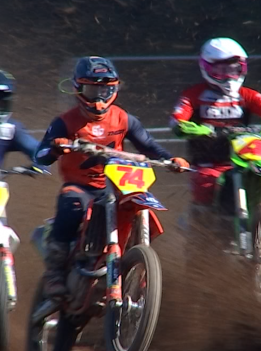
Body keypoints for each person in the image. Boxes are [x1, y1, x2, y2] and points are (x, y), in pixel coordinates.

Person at [34, 56, 189, 297]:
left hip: (118, 184)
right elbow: (41, 156)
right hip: (82, 187)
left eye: (105, 90)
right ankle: (54, 273)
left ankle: (139, 267)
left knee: (141, 206)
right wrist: (56, 147)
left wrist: (171, 160)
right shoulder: (64, 122)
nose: (99, 97)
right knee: (71, 204)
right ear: (78, 89)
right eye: (92, 89)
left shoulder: (124, 118)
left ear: (114, 89)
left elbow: (149, 146)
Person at [170, 37, 261, 219]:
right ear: (206, 67)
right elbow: (178, 117)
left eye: (234, 69)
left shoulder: (247, 95)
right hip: (209, 161)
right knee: (205, 184)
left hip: (245, 158)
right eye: (221, 70)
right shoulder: (194, 95)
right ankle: (200, 227)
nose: (228, 75)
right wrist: (185, 126)